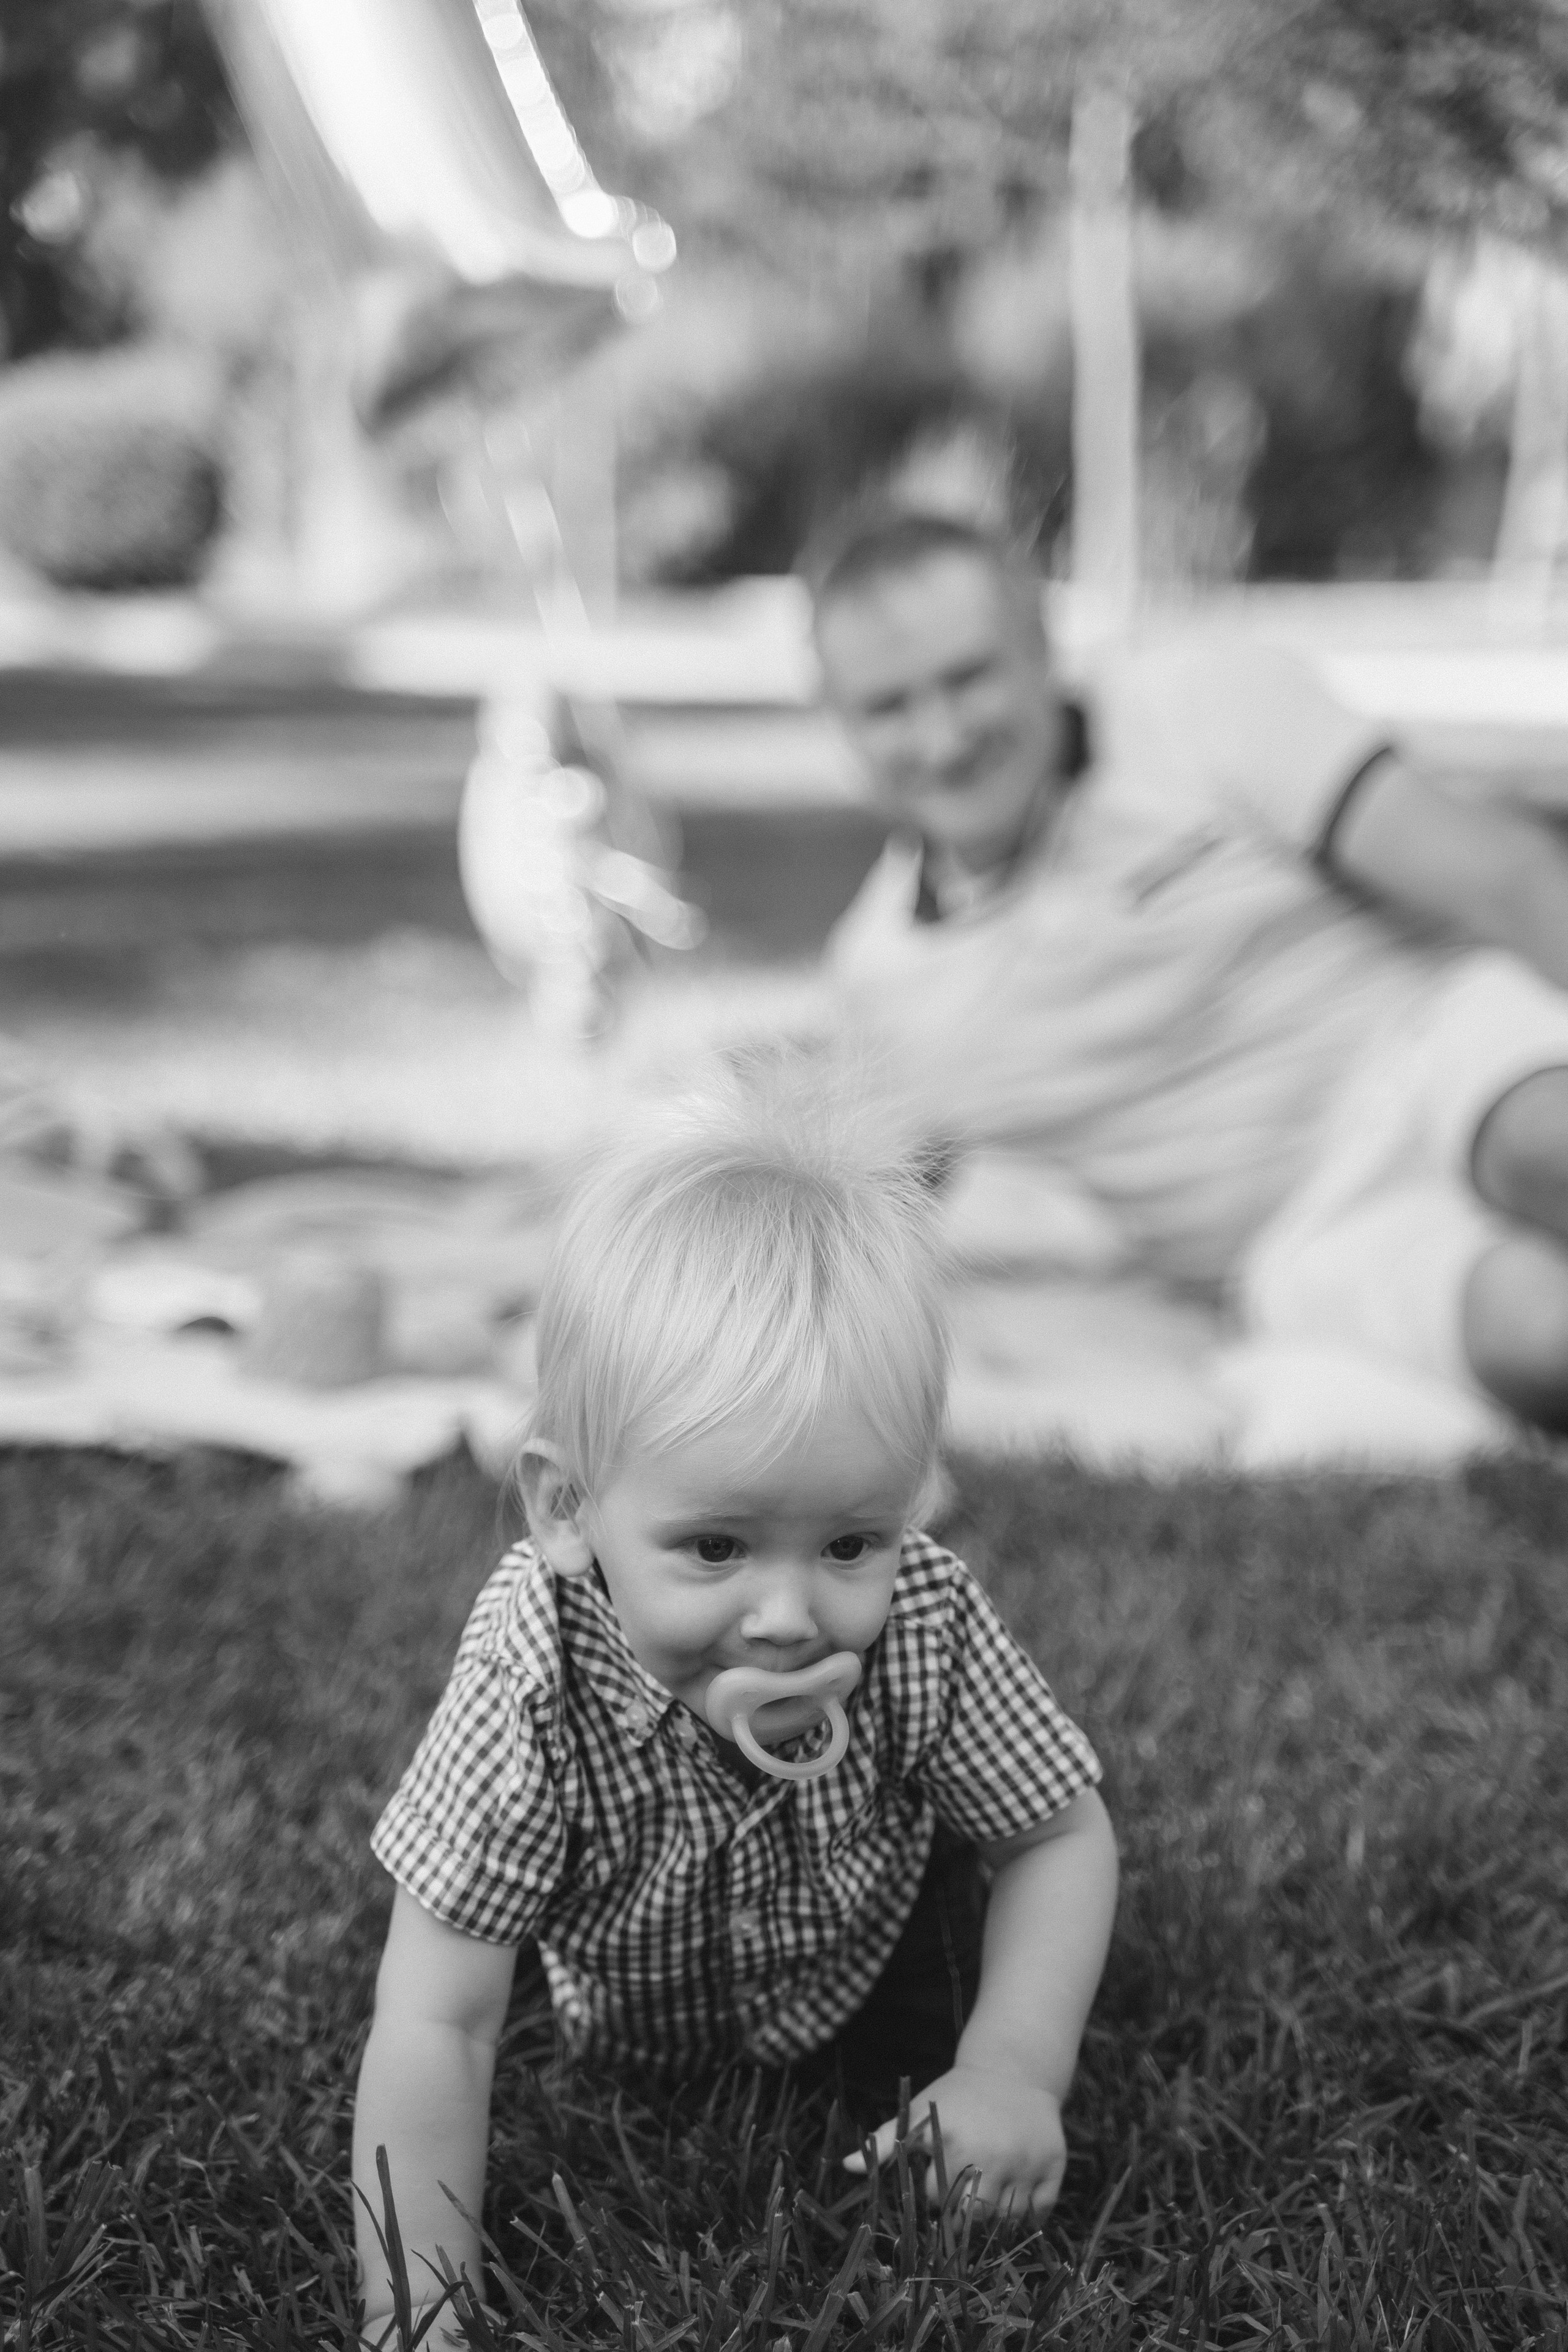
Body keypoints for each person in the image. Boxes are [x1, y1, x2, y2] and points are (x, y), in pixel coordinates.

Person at [352, 1060, 1118, 2335]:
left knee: (981, 1926)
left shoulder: (924, 1614)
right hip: (617, 1985)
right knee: (463, 1943)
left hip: (869, 1955)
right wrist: (415, 2317)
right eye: (715, 1547)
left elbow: (1057, 1831)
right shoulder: (528, 1675)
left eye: (847, 1543)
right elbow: (439, 2014)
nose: (788, 1614)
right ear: (567, 1510)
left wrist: (1008, 2068)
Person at [810, 507, 1568, 1434]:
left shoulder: (1199, 705)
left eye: (968, 677)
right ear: (842, 726)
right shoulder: (878, 980)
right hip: (1306, 1244)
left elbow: (1510, 878)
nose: (941, 734)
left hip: (1439, 1044)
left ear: (1042, 651)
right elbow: (840, 1239)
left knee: (1545, 1145)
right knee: (1539, 1336)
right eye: (889, 705)